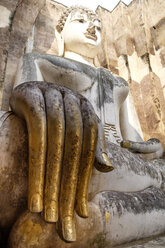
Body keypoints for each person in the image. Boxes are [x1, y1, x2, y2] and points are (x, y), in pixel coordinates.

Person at [0, 6, 165, 247]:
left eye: (98, 26)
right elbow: (24, 103)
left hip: (122, 162)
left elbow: (132, 141)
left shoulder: (119, 84)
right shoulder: (39, 60)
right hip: (62, 141)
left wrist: (152, 147)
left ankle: (90, 223)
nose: (92, 28)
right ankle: (91, 220)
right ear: (61, 34)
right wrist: (38, 95)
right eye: (80, 21)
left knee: (154, 176)